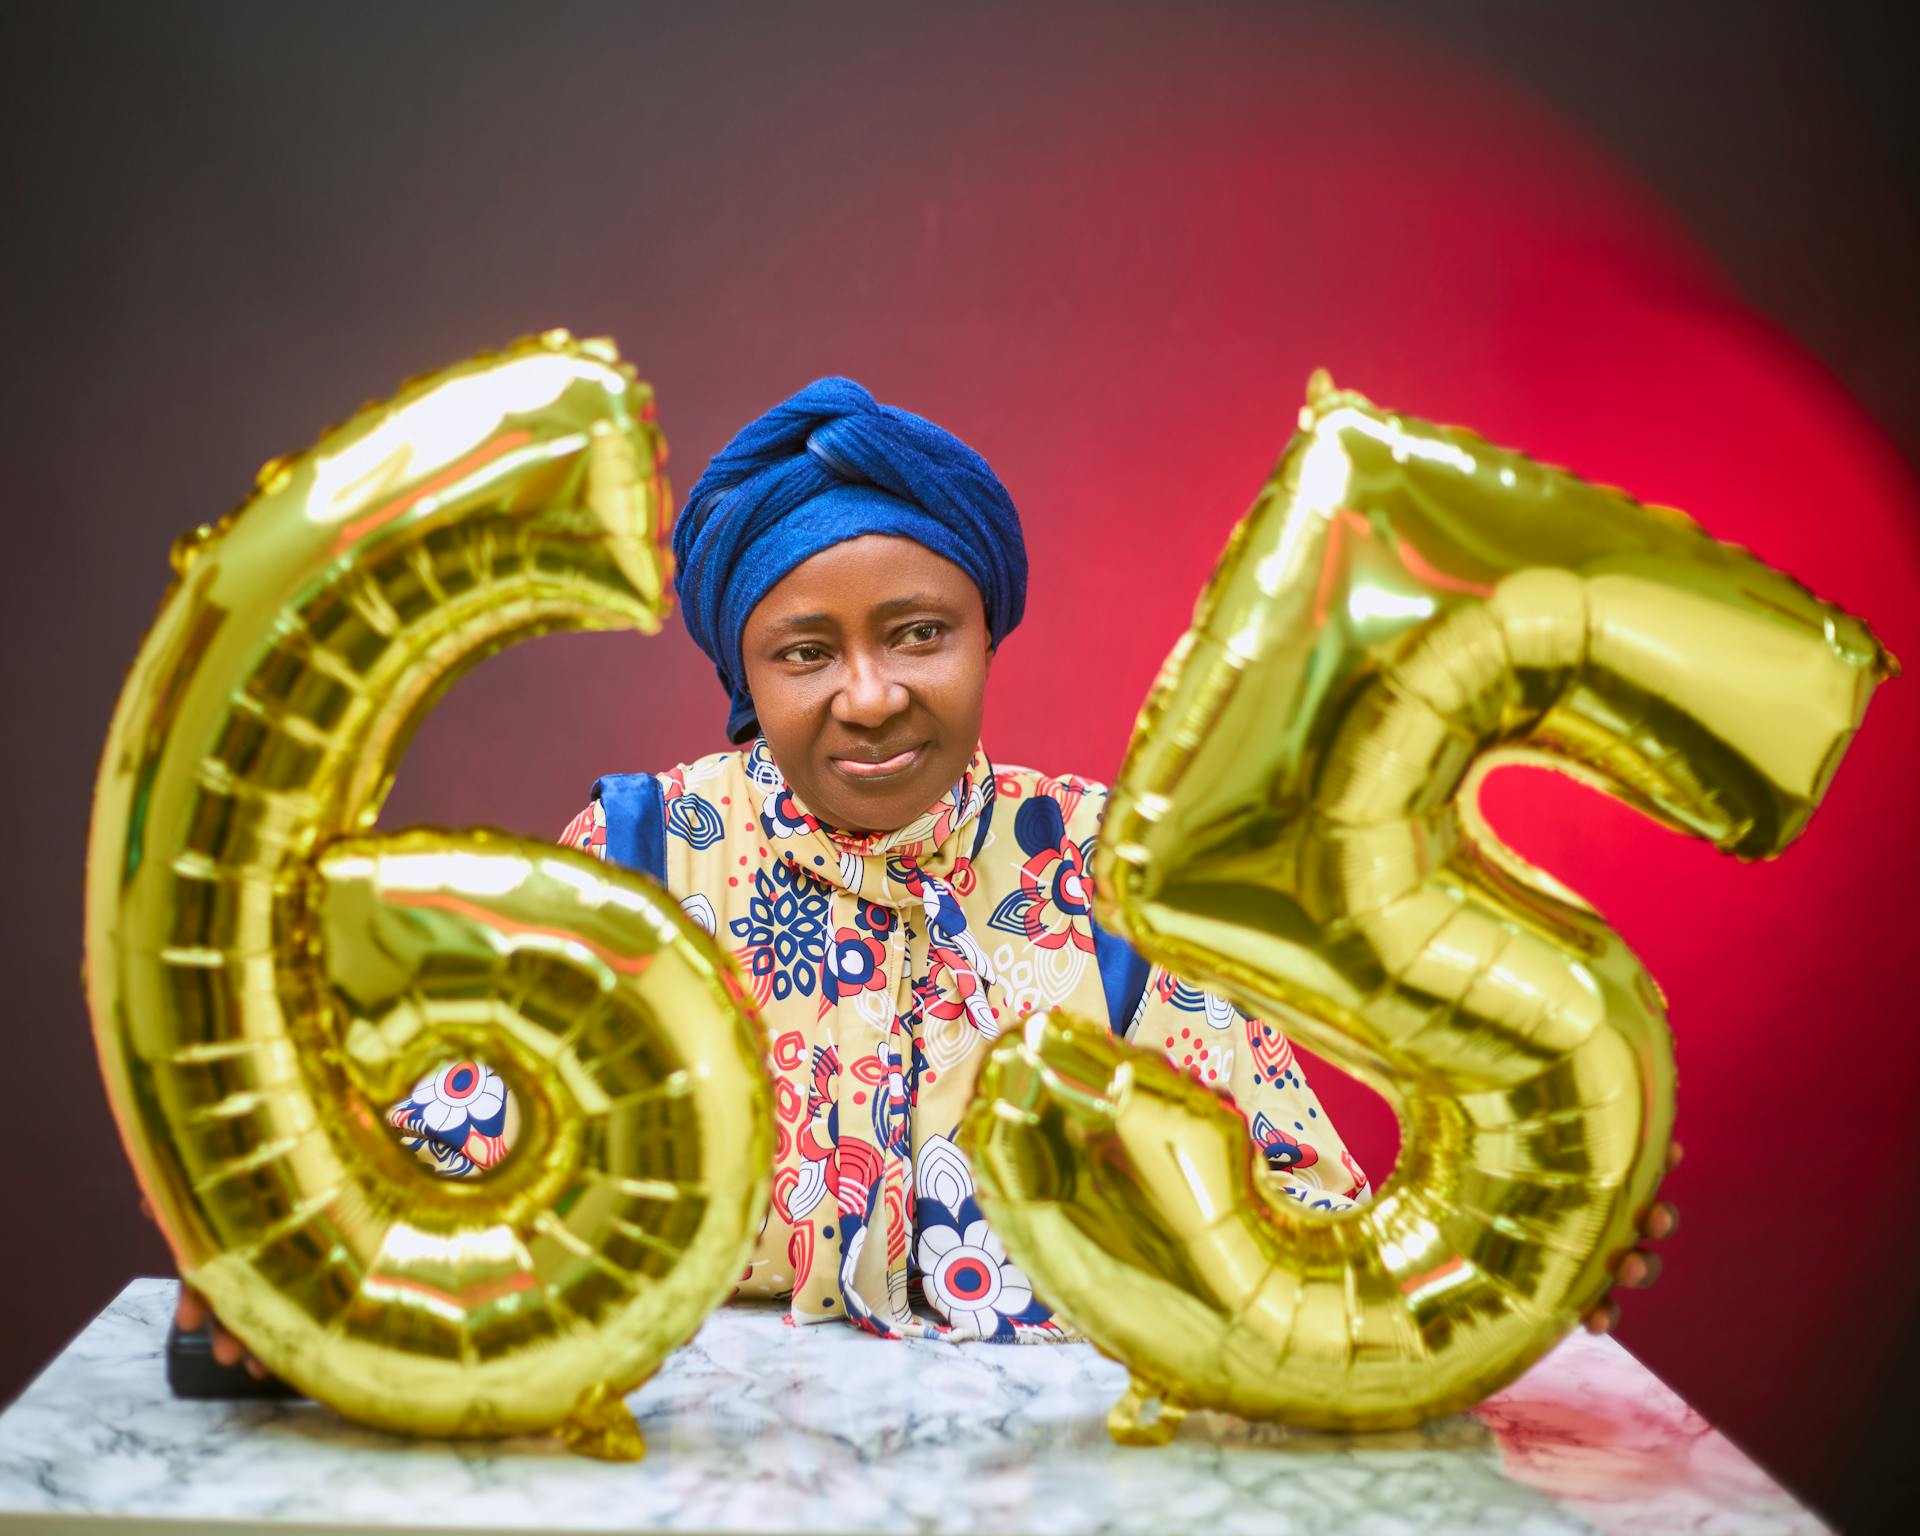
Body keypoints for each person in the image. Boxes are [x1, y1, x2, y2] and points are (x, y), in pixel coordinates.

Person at [178, 377, 1676, 1365]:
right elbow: (436, 1187)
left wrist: (1506, 1259)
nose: (873, 695)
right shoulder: (636, 861)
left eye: (917, 633)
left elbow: (1306, 1230)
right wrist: (286, 1270)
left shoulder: (1111, 872)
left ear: (983, 633)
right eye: (804, 652)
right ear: (743, 668)